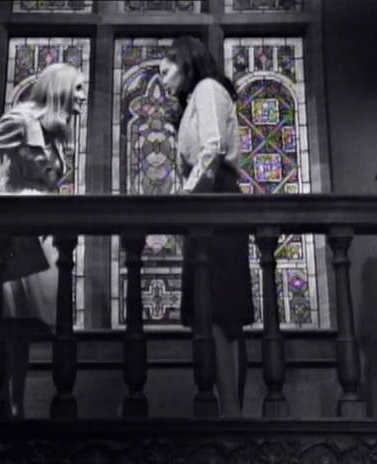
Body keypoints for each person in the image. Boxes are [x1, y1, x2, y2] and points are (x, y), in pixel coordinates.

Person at [0, 62, 87, 419]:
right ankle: (0, 404)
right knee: (4, 318)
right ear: (60, 88)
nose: (83, 97)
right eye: (78, 89)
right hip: (12, 222)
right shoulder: (21, 119)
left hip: (40, 226)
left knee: (25, 326)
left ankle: (17, 406)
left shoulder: (54, 133)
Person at [159, 36, 254, 417]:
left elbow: (212, 147)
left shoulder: (207, 89)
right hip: (206, 199)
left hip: (215, 197)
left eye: (165, 71)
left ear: (185, 62)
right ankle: (229, 407)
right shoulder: (192, 101)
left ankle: (232, 411)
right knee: (211, 308)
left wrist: (187, 196)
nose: (162, 80)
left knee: (221, 308)